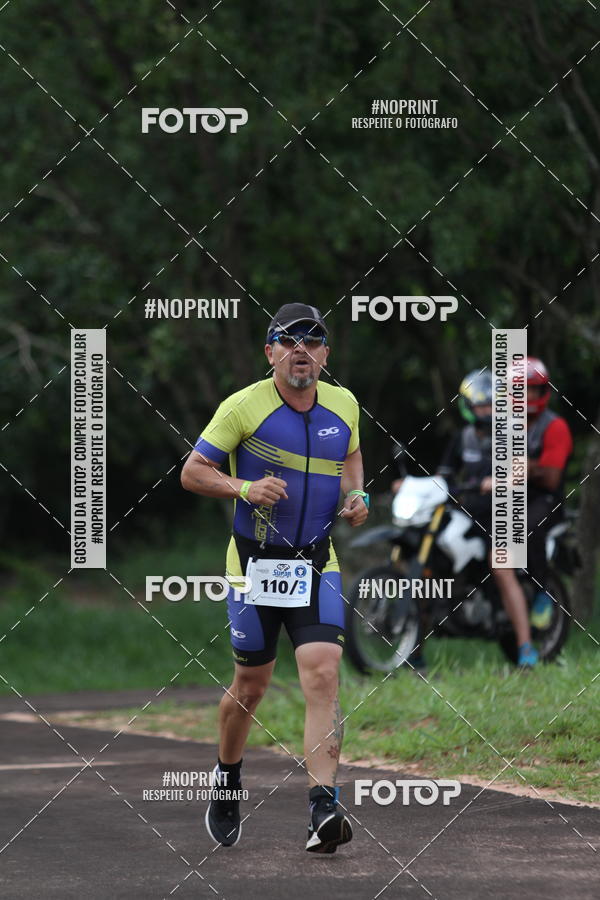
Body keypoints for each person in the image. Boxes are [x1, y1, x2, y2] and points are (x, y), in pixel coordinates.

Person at [181, 302, 369, 853]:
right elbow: (193, 472)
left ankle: (322, 807)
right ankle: (227, 778)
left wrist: (357, 496)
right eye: (289, 341)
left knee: (322, 672)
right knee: (251, 686)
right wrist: (244, 489)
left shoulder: (344, 404)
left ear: (326, 354)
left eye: (313, 340)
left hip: (317, 560)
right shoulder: (243, 407)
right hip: (254, 567)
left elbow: (352, 461)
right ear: (271, 353)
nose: (301, 350)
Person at [522, 357, 573, 628]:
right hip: (506, 495)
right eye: (522, 389)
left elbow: (551, 477)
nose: (528, 396)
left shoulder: (555, 427)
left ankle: (542, 591)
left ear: (544, 392)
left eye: (534, 389)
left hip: (545, 500)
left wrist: (525, 467)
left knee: (528, 527)